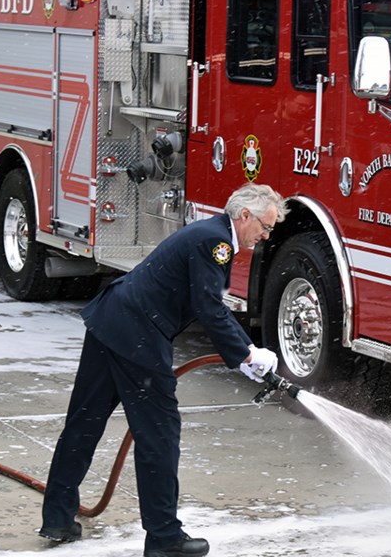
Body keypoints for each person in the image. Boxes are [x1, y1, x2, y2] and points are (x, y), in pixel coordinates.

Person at [40, 182, 288, 557]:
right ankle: (164, 537)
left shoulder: (208, 233)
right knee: (159, 435)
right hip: (137, 334)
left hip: (112, 321)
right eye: (265, 226)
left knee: (84, 422)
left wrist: (242, 354)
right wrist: (248, 355)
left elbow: (202, 304)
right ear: (244, 216)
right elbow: (209, 308)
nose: (266, 235)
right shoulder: (216, 243)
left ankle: (58, 518)